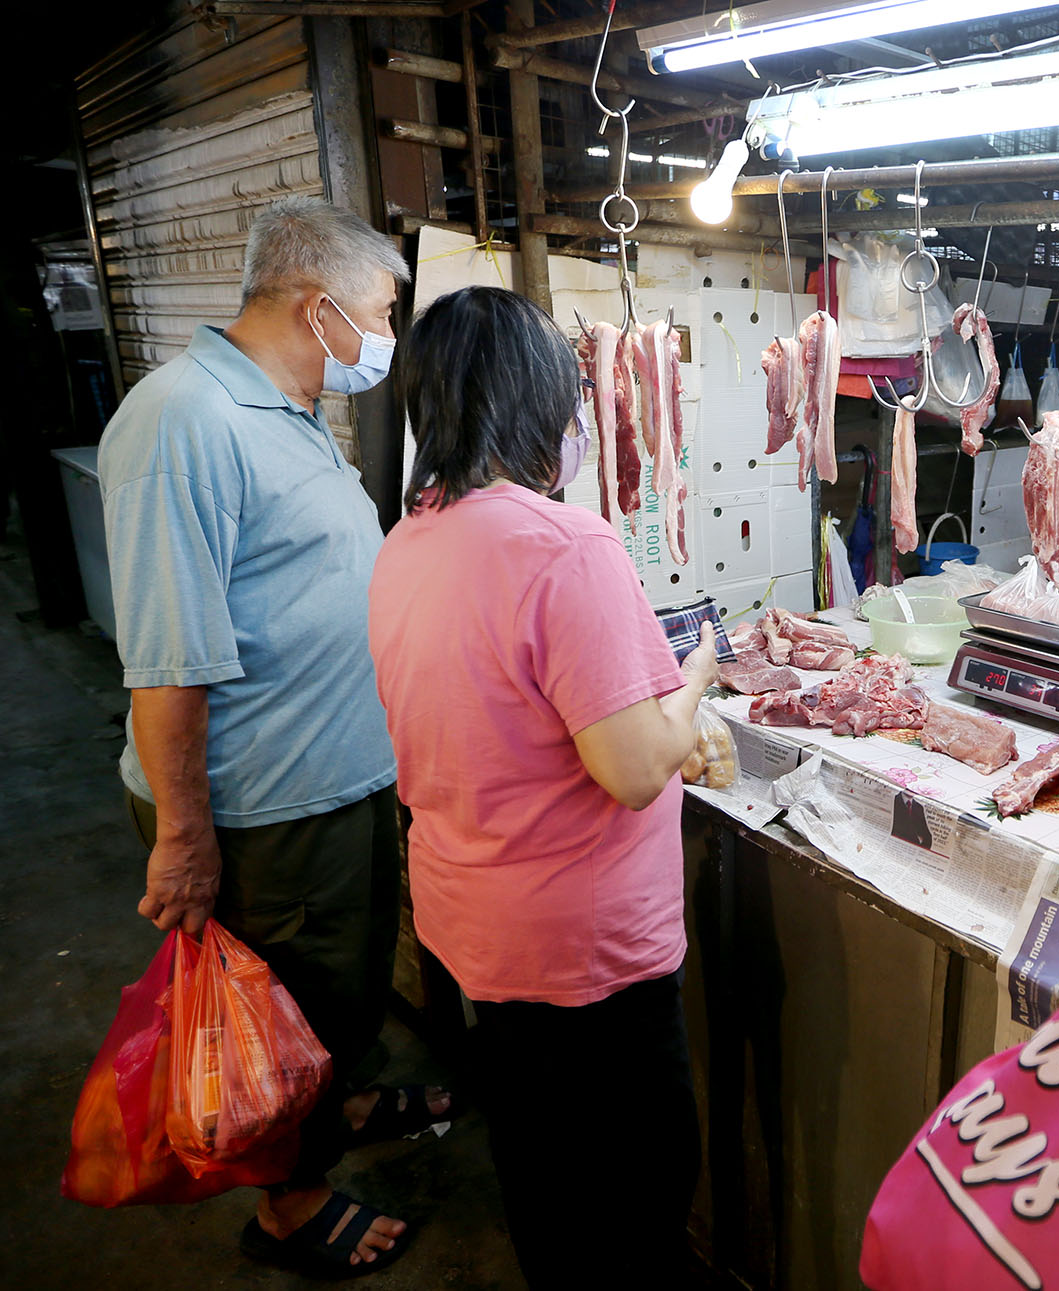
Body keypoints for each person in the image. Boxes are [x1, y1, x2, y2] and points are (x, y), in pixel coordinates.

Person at [97, 197, 448, 1276]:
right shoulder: (183, 420)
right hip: (261, 805)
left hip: (334, 783)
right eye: (383, 311)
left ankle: (335, 1100)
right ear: (319, 306)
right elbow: (169, 657)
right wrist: (185, 837)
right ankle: (290, 1204)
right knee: (280, 1001)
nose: (387, 335)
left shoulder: (285, 410)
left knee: (333, 991)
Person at [367, 286, 718, 1288]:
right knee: (640, 1191)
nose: (575, 426)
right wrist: (694, 679)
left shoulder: (409, 538)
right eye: (568, 403)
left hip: (475, 929)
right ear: (537, 405)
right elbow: (638, 764)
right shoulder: (564, 544)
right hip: (586, 954)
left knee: (541, 1171)